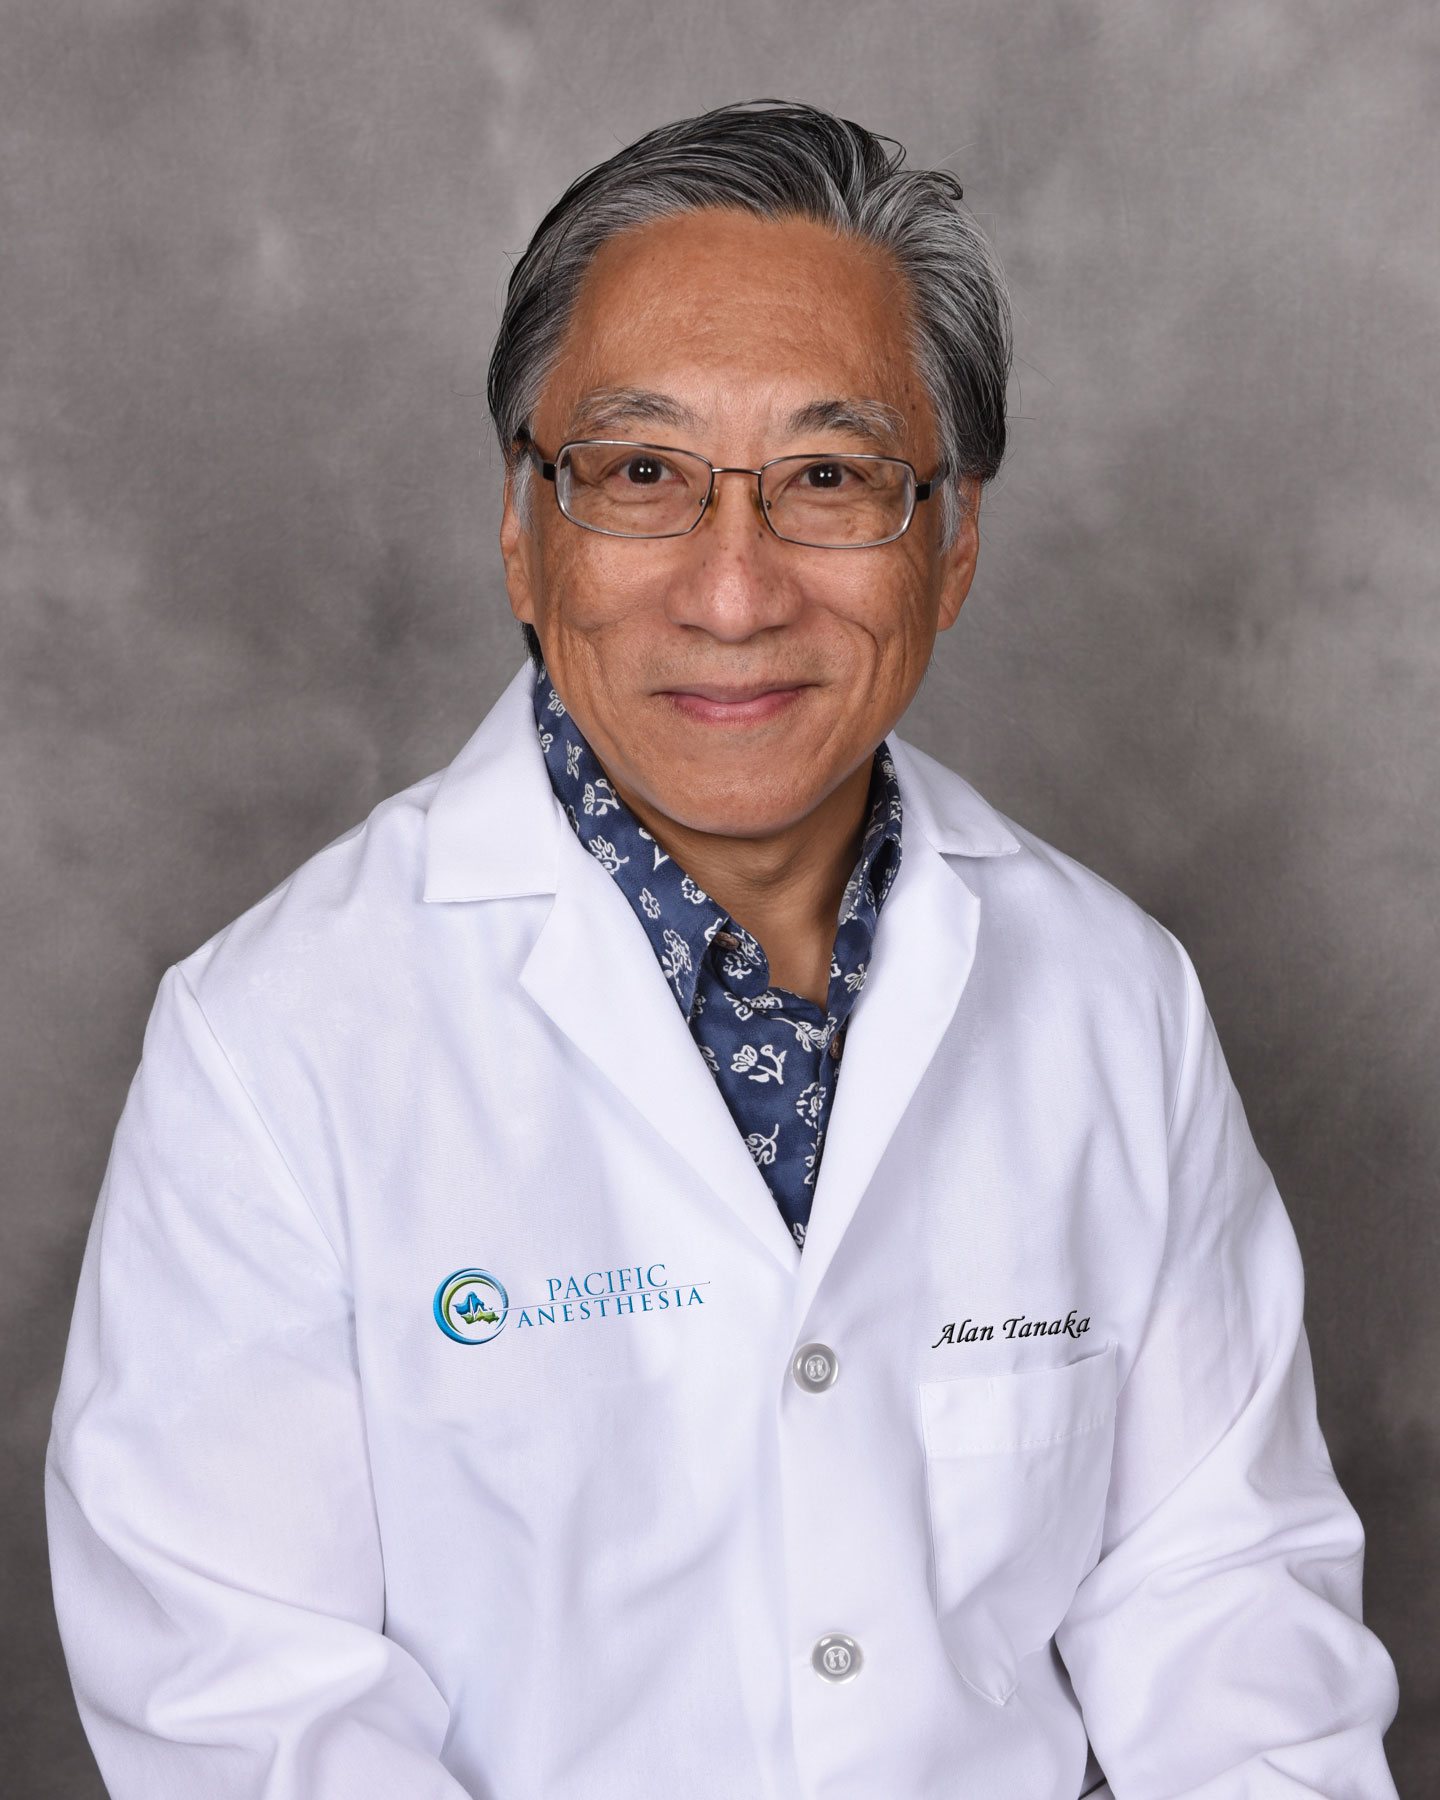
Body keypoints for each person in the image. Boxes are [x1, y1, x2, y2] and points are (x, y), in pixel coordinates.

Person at [46, 101, 1399, 1800]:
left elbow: (1231, 1614)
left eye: (830, 478)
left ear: (954, 541)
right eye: (639, 477)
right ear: (526, 533)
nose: (736, 591)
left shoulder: (1116, 1002)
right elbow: (247, 1711)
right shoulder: (277, 1043)